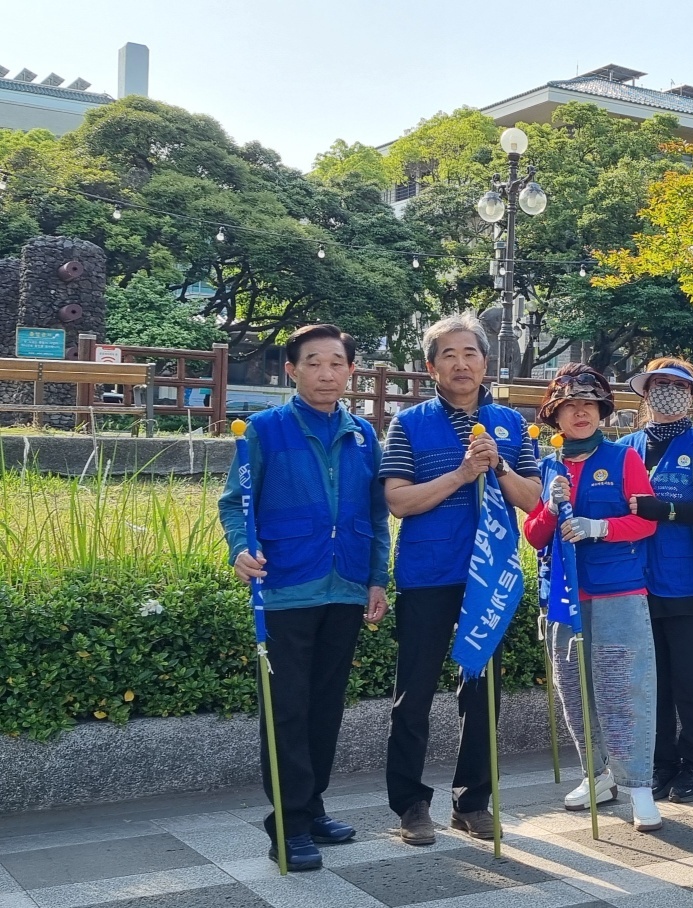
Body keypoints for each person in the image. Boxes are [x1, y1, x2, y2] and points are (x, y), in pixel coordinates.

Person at [218, 324, 390, 872]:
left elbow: (376, 516)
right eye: (313, 363)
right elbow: (234, 503)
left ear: (350, 371)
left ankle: (312, 808)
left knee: (324, 709)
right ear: (292, 370)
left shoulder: (364, 435)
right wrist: (241, 550)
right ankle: (287, 826)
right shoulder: (265, 431)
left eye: (336, 363)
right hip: (287, 587)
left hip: (344, 588)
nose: (326, 373)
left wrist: (377, 578)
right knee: (286, 710)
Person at [378, 314, 542, 845]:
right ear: (431, 367)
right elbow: (398, 500)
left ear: (485, 362)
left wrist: (497, 467)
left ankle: (473, 802)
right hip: (429, 573)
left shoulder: (512, 425)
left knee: (483, 690)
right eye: (448, 355)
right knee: (414, 692)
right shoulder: (410, 423)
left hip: (489, 576)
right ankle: (410, 805)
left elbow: (533, 499)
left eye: (469, 353)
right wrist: (460, 474)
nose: (461, 363)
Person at [522, 364, 664, 831]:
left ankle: (640, 785)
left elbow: (646, 521)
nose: (579, 412)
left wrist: (599, 527)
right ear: (555, 416)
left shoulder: (624, 459)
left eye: (589, 404)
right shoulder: (548, 463)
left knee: (625, 689)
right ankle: (595, 775)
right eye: (569, 406)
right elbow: (536, 536)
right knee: (575, 692)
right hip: (564, 594)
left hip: (618, 591)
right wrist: (548, 502)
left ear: (602, 411)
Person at [621, 358, 693, 804]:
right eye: (660, 384)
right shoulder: (626, 447)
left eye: (677, 385)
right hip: (636, 583)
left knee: (690, 683)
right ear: (645, 393)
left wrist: (664, 511)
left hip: (689, 584)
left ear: (691, 395)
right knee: (653, 684)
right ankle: (661, 763)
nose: (667, 391)